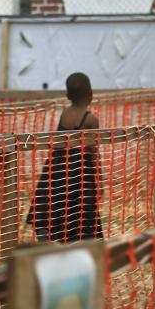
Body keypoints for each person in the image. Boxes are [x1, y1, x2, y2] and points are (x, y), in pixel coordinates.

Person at [26, 73, 103, 243]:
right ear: (91, 94)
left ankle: (47, 231)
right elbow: (93, 152)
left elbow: (58, 140)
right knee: (81, 208)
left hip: (58, 165)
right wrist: (100, 181)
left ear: (68, 96)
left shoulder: (65, 114)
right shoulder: (90, 120)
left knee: (54, 200)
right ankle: (77, 242)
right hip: (80, 171)